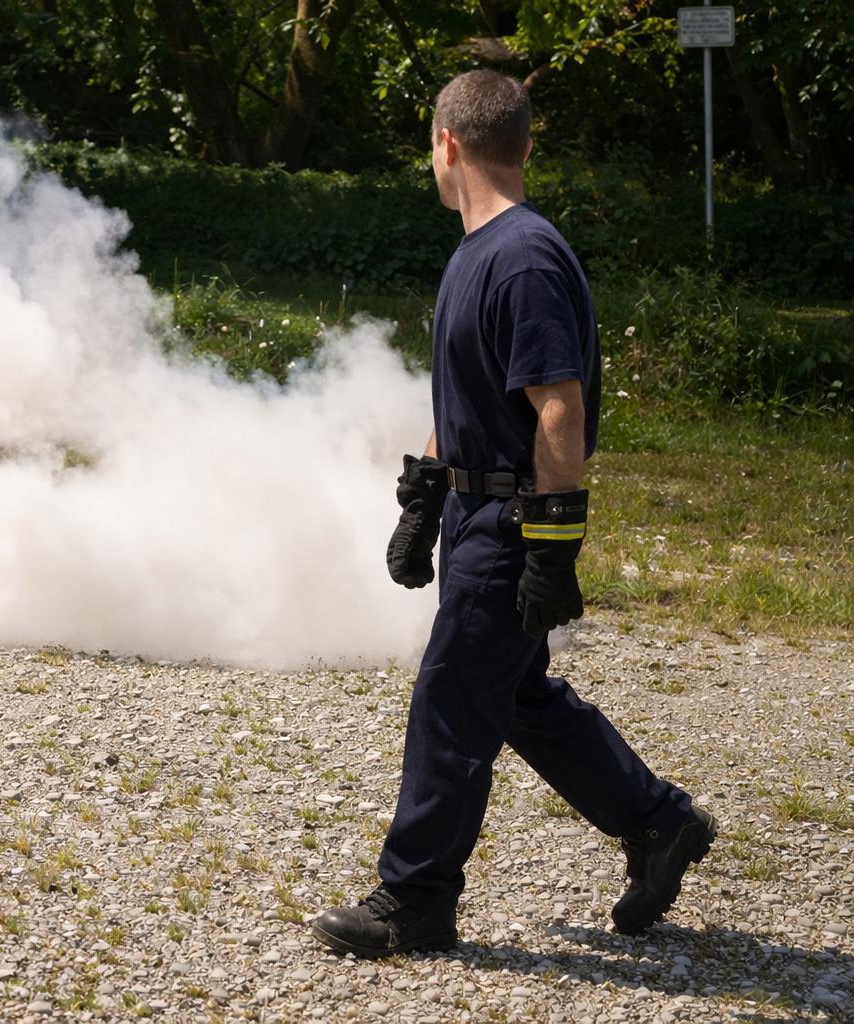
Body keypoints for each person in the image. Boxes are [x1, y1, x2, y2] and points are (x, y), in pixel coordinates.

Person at [309, 70, 716, 958]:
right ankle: (657, 821)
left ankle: (416, 899)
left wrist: (550, 549)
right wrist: (423, 498)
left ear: (446, 144)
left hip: (510, 526)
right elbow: (470, 402)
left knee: (454, 699)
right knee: (514, 694)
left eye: (429, 145)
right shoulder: (478, 252)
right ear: (523, 146)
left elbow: (557, 409)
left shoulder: (523, 257)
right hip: (473, 516)